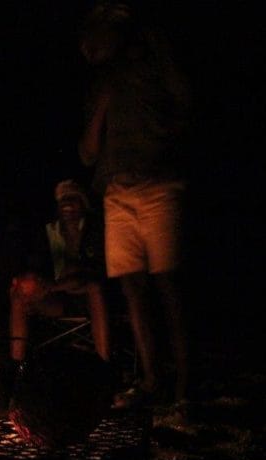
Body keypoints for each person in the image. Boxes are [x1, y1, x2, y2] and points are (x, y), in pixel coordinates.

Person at [77, 2, 192, 409]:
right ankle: (149, 381)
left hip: (159, 186)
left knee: (168, 286)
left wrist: (161, 146)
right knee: (133, 289)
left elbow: (184, 105)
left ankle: (183, 386)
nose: (88, 44)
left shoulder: (154, 63)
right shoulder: (103, 82)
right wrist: (103, 109)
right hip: (117, 193)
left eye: (97, 33)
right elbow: (88, 154)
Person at [8, 179, 111, 363]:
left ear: (83, 203)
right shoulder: (49, 231)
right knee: (19, 292)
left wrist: (52, 285)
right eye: (62, 199)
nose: (66, 203)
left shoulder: (95, 229)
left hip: (91, 297)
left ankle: (103, 363)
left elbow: (95, 272)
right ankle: (17, 366)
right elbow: (36, 267)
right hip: (59, 299)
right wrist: (26, 283)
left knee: (89, 282)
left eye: (72, 198)